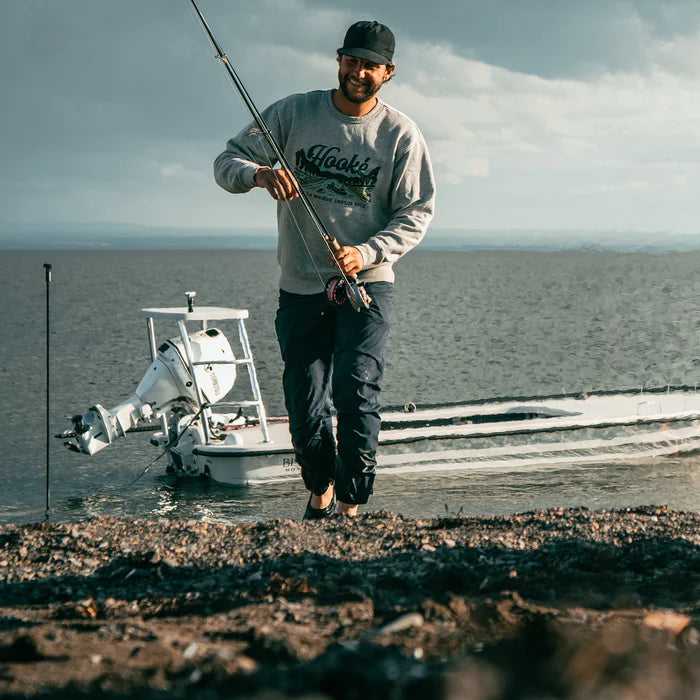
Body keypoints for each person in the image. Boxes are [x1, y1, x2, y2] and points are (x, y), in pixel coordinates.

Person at [214, 20, 435, 518]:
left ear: (389, 72)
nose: (359, 72)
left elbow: (416, 212)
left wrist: (367, 253)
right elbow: (226, 161)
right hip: (301, 288)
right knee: (305, 403)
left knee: (357, 393)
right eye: (352, 61)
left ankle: (351, 507)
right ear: (339, 61)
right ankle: (321, 491)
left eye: (370, 66)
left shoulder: (400, 134)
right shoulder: (293, 113)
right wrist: (259, 174)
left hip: (367, 286)